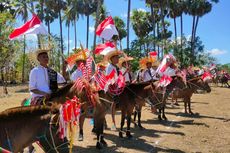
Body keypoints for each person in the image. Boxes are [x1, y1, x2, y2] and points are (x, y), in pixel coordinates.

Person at [105, 50, 123, 130]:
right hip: (111, 87)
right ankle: (113, 123)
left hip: (116, 86)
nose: (118, 59)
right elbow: (109, 78)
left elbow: (118, 77)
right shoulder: (109, 66)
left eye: (118, 57)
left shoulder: (115, 67)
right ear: (112, 59)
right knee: (114, 102)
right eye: (116, 58)